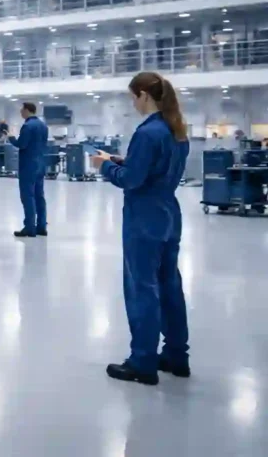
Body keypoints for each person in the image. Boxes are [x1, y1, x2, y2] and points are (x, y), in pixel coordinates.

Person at [91, 71, 190, 386]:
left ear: (143, 95)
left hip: (144, 217)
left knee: (142, 287)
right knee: (169, 285)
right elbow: (151, 169)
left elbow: (132, 180)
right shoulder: (175, 131)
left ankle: (143, 361)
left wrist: (105, 166)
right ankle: (176, 356)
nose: (132, 104)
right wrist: (121, 159)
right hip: (168, 215)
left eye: (132, 97)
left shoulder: (147, 133)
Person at [9, 102, 49, 238]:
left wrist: (11, 138)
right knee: (39, 196)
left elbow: (22, 144)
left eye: (22, 109)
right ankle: (41, 226)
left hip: (28, 166)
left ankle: (29, 227)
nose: (21, 112)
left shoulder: (27, 126)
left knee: (28, 196)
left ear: (27, 110)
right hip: (40, 164)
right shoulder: (43, 125)